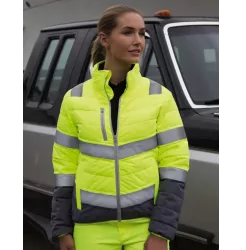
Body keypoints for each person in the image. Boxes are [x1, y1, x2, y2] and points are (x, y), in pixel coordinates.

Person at [51, 4, 189, 250]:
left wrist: (162, 231)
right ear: (104, 39)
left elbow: (175, 169)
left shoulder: (160, 97)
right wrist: (62, 229)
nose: (138, 41)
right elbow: (64, 170)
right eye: (128, 32)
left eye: (141, 33)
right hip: (91, 228)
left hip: (145, 227)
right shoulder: (74, 99)